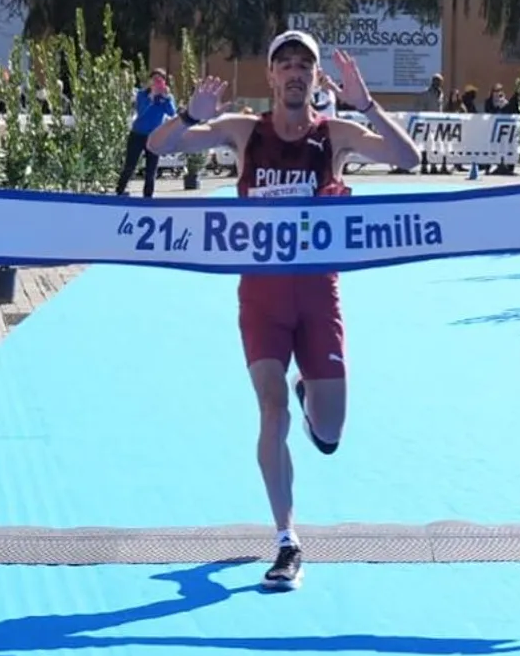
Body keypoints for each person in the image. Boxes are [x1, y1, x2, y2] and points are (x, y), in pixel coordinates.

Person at [146, 30, 419, 591]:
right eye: (285, 64)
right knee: (272, 411)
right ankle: (286, 540)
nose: (295, 73)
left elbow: (407, 157)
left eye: (305, 65)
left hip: (319, 297)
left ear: (317, 79)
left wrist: (366, 103)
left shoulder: (334, 135)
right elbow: (159, 148)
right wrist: (185, 114)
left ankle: (311, 393)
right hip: (263, 299)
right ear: (271, 77)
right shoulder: (246, 132)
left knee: (330, 429)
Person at [116, 68, 178, 198]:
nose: (156, 83)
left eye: (160, 80)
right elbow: (141, 112)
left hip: (155, 137)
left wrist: (165, 98)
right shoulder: (142, 94)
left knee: (151, 170)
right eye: (154, 80)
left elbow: (172, 113)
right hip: (138, 134)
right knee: (130, 166)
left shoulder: (167, 97)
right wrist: (151, 97)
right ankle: (120, 191)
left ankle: (148, 197)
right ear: (149, 81)